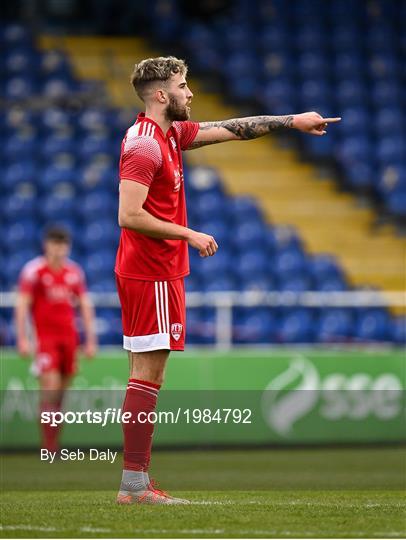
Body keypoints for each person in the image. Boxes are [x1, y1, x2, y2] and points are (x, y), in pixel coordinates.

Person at [115, 55, 340, 505]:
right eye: (182, 85)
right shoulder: (144, 145)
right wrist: (189, 234)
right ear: (161, 94)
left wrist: (291, 121)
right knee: (146, 376)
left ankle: (135, 484)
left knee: (146, 377)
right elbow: (129, 214)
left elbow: (233, 128)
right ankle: (134, 487)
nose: (190, 92)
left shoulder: (170, 134)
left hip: (159, 270)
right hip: (151, 271)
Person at [15, 226, 97, 453]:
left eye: (63, 245)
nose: (59, 250)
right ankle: (48, 447)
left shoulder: (74, 272)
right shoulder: (34, 271)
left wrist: (90, 340)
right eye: (55, 244)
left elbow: (85, 306)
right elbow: (22, 305)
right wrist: (22, 338)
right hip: (45, 339)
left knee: (61, 393)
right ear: (46, 245)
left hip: (69, 338)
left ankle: (54, 444)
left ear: (68, 247)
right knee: (50, 389)